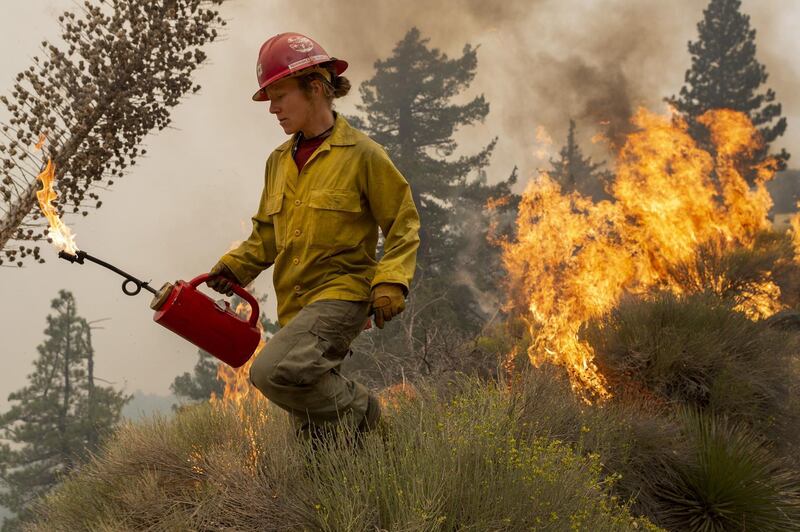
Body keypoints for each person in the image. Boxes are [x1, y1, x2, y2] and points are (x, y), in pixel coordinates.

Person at [206, 32, 420, 444]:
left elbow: (403, 223)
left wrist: (391, 279)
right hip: (296, 308)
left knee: (271, 372)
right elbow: (266, 236)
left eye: (280, 95)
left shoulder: (364, 155)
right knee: (316, 444)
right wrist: (236, 266)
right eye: (269, 99)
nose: (273, 109)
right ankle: (371, 471)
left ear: (316, 88)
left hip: (342, 295)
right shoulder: (278, 163)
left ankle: (367, 414)